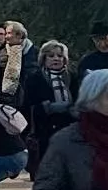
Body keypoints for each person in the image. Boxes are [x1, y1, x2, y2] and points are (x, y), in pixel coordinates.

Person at [21, 40, 77, 177]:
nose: (56, 59)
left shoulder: (73, 77)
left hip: (71, 128)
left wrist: (70, 108)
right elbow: (29, 106)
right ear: (44, 59)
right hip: (44, 132)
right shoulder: (35, 78)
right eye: (51, 56)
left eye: (59, 56)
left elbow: (80, 100)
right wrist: (50, 108)